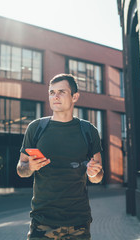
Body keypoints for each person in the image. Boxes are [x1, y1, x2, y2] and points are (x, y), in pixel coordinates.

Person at [17, 73, 104, 240]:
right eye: (51, 92)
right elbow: (21, 169)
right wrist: (30, 167)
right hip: (42, 221)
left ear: (75, 96)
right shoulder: (36, 128)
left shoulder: (88, 131)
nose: (55, 97)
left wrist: (93, 173)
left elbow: (98, 176)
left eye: (61, 92)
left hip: (79, 222)